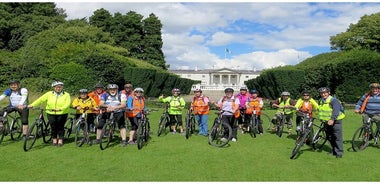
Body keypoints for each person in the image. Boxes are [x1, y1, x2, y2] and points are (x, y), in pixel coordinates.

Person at [28, 81, 71, 146]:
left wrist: (60, 108)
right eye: (56, 87)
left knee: (60, 126)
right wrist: (32, 105)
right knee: (53, 126)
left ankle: (60, 139)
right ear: (54, 87)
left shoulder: (66, 95)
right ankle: (54, 139)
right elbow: (40, 100)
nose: (58, 88)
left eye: (60, 87)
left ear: (62, 87)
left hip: (62, 113)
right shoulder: (49, 94)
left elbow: (67, 104)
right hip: (50, 113)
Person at [318, 87, 345, 158]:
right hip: (326, 122)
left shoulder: (334, 100)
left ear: (328, 93)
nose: (323, 94)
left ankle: (339, 153)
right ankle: (333, 151)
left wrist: (332, 119)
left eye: (325, 93)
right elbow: (321, 110)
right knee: (329, 137)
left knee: (337, 137)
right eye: (322, 93)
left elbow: (336, 110)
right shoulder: (321, 100)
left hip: (336, 121)